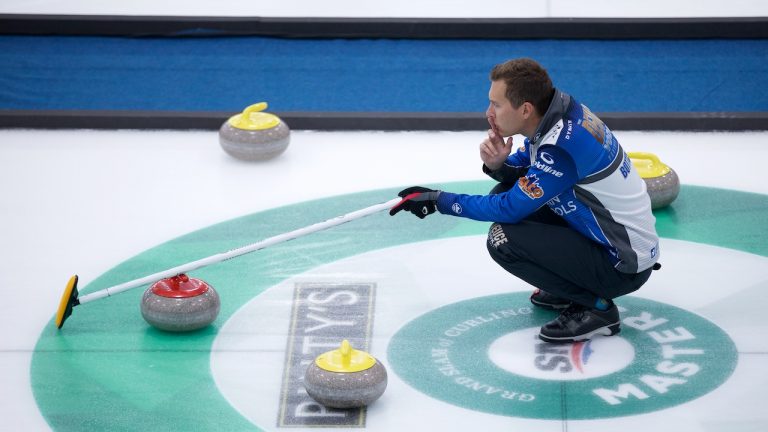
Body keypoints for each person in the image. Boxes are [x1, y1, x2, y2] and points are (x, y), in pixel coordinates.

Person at [389, 57, 661, 343]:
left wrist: (438, 201)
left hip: (620, 265)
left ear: (525, 109)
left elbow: (509, 208)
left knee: (502, 239)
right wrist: (499, 166)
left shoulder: (562, 148)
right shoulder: (559, 114)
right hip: (616, 242)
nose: (488, 113)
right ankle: (567, 286)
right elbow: (526, 173)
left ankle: (597, 309)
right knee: (504, 191)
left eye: (496, 105)